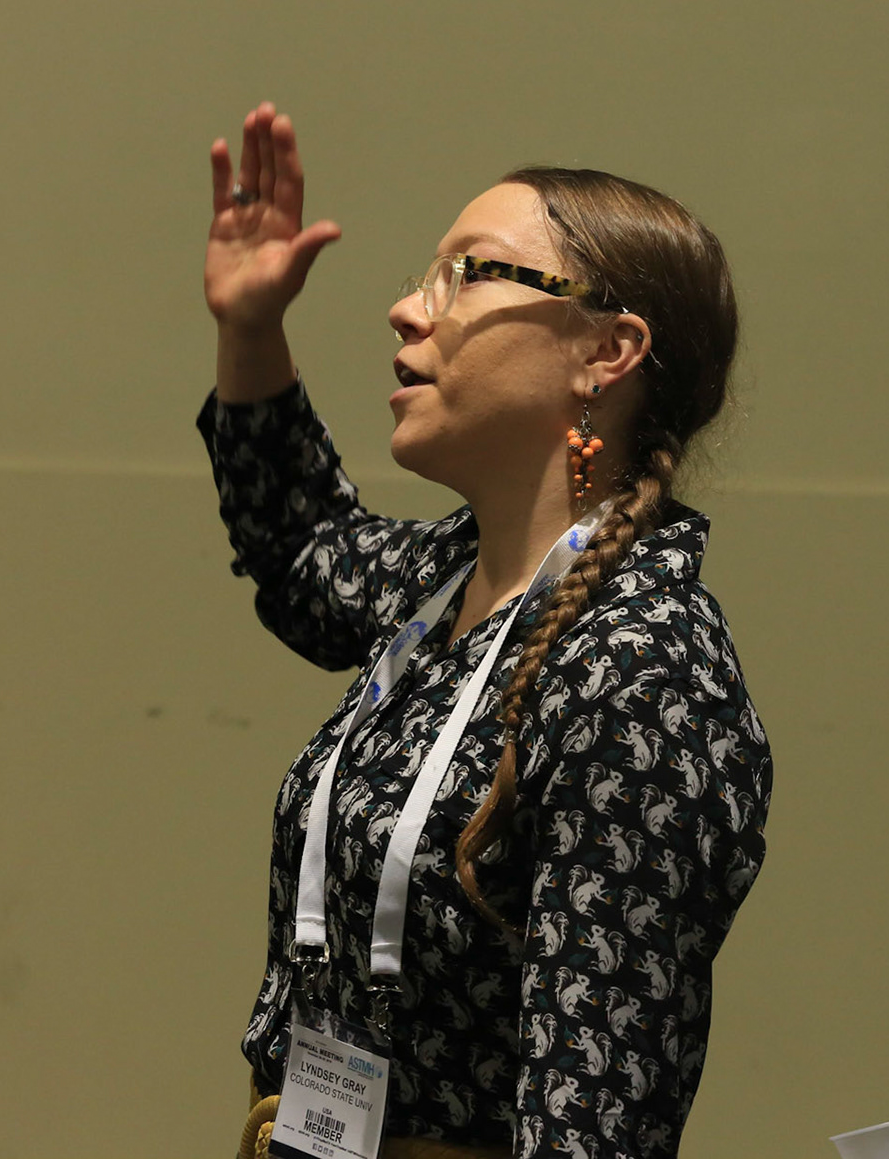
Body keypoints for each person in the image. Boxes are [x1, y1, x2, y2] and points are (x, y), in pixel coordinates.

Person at [199, 101, 771, 1159]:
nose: (407, 310)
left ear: (609, 349)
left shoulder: (643, 674)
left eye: (467, 273)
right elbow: (301, 556)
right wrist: (251, 329)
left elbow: (587, 1124)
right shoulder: (451, 576)